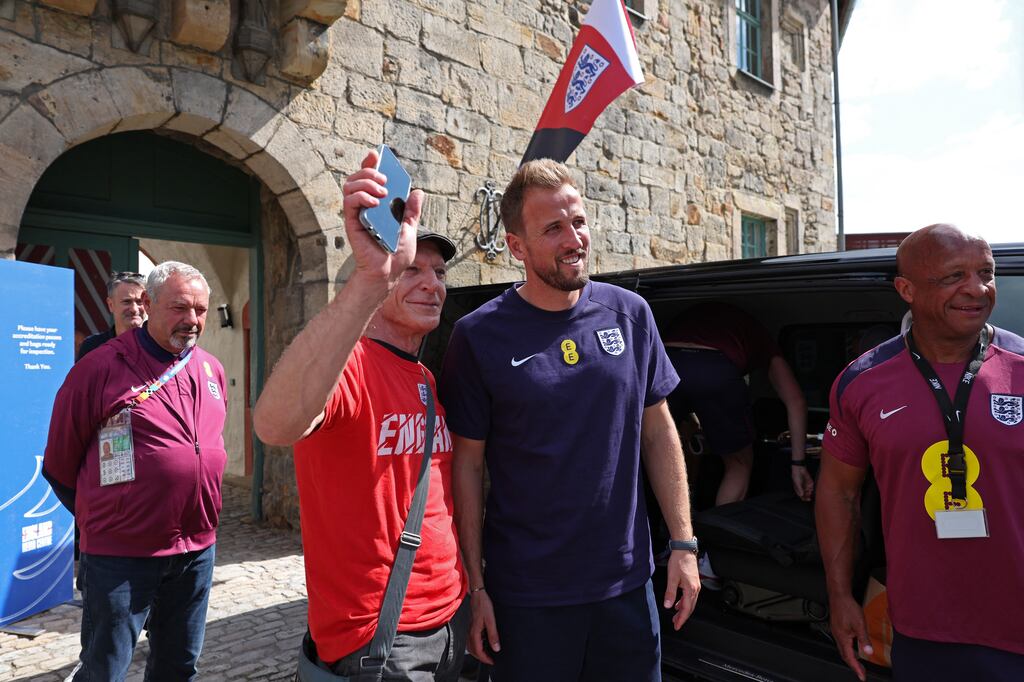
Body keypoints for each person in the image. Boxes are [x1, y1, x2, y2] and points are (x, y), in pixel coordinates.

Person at [440, 159, 700, 682]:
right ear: (517, 247)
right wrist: (477, 587)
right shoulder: (478, 336)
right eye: (553, 228)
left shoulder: (631, 314)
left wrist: (683, 544)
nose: (573, 238)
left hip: (626, 586)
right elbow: (466, 467)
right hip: (528, 595)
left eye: (578, 221)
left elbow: (659, 432)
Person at [253, 149, 468, 680]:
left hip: (449, 622)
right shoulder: (347, 365)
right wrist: (371, 281)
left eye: (439, 272)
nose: (431, 283)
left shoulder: (425, 378)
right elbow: (274, 425)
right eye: (411, 269)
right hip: (380, 637)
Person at [816, 224, 1024, 681]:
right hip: (923, 630)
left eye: (986, 273)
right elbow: (838, 494)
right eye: (953, 276)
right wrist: (840, 596)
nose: (977, 288)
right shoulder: (862, 381)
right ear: (906, 289)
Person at [43, 261, 227, 681]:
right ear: (147, 304)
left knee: (179, 666)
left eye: (200, 310)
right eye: (180, 308)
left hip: (195, 550)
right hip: (120, 555)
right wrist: (112, 516)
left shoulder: (210, 368)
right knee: (105, 668)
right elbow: (59, 463)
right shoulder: (99, 367)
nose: (192, 320)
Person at [662, 302, 812, 506]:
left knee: (657, 451)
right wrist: (798, 464)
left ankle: (659, 526)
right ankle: (718, 536)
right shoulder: (761, 337)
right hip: (715, 368)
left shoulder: (690, 317)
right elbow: (796, 401)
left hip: (664, 361)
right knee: (739, 463)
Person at [77, 271, 146, 360]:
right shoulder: (92, 347)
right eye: (127, 302)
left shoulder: (158, 345)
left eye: (139, 302)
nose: (134, 309)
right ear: (111, 305)